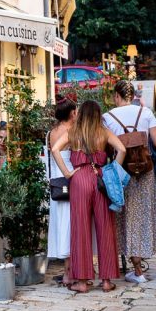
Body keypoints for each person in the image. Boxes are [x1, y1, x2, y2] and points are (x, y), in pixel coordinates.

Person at [102, 81, 156, 283]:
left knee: (129, 218)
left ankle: (138, 271)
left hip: (123, 172)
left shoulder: (108, 117)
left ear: (117, 95)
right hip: (146, 169)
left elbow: (107, 149)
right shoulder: (146, 113)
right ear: (133, 95)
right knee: (153, 214)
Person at [50, 101, 125, 293]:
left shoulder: (74, 132)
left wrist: (67, 172)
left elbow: (55, 149)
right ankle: (107, 280)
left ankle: (82, 281)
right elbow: (122, 149)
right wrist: (113, 170)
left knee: (80, 229)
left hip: (79, 178)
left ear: (80, 113)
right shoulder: (103, 132)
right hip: (100, 179)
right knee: (105, 227)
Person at [46, 100, 76, 285]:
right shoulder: (70, 132)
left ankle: (69, 271)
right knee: (70, 226)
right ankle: (69, 272)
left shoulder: (52, 132)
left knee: (62, 225)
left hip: (57, 183)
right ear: (72, 113)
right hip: (69, 178)